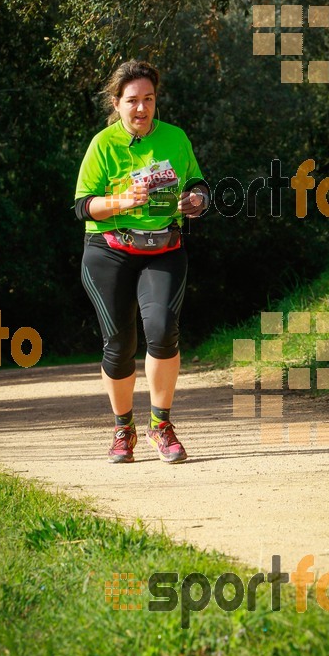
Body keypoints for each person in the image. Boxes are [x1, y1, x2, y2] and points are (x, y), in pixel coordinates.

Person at [74, 59, 208, 464]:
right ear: (116, 103)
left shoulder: (175, 138)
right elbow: (83, 206)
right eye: (132, 100)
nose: (141, 108)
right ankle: (122, 430)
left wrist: (196, 201)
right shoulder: (102, 145)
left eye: (148, 99)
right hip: (108, 249)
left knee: (163, 330)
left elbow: (198, 184)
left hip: (164, 247)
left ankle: (161, 425)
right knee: (119, 343)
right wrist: (122, 201)